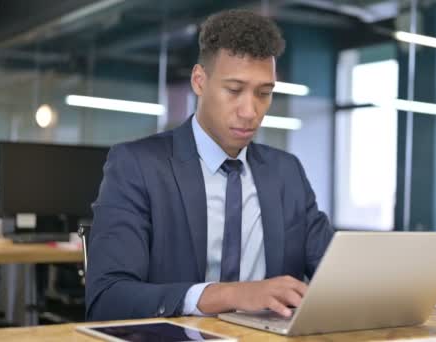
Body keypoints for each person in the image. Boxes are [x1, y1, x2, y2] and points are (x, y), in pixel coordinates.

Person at [85, 9, 334, 321]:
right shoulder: (137, 166)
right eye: (234, 90)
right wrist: (230, 294)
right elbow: (107, 298)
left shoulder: (287, 172)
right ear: (199, 81)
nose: (250, 111)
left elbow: (336, 275)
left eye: (264, 93)